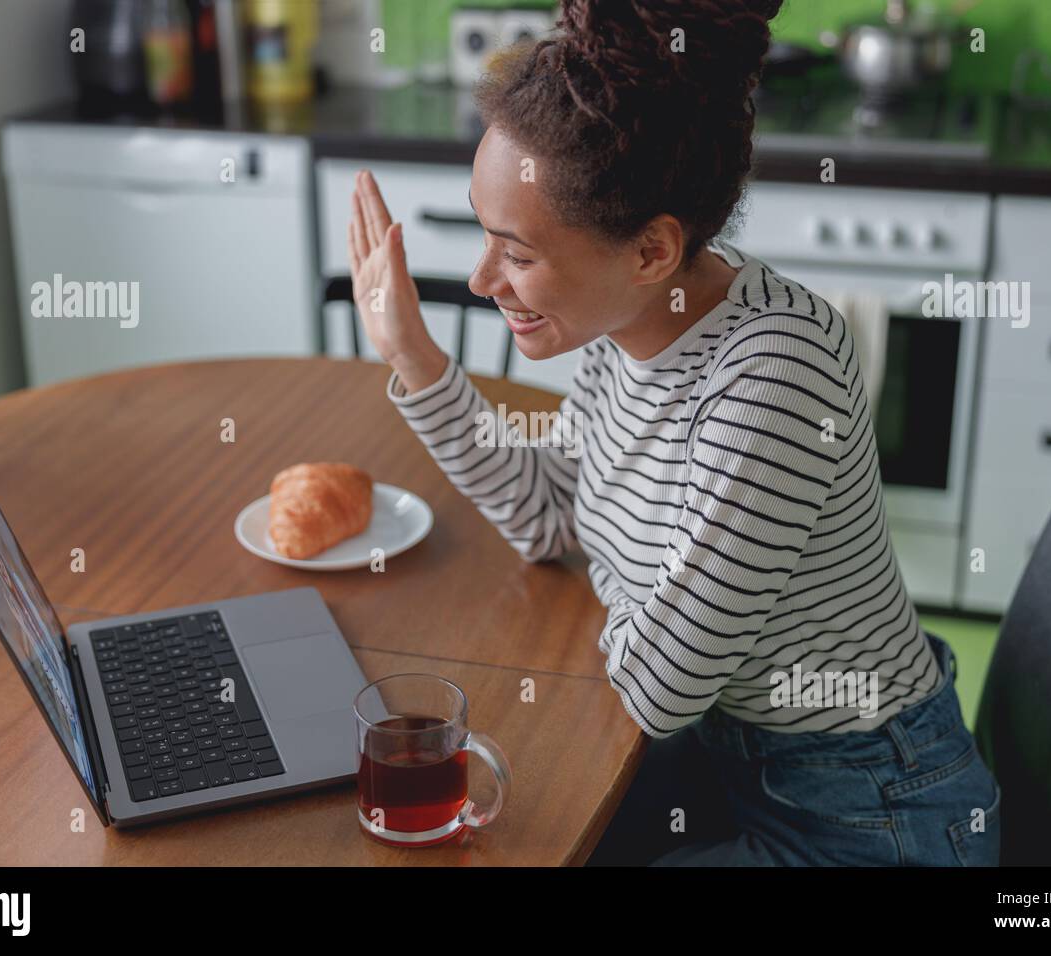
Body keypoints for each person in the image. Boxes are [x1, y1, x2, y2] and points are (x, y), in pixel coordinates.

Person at [346, 0, 1000, 865]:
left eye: (518, 252)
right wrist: (415, 355)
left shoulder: (774, 374)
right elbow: (553, 520)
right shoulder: (628, 331)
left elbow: (661, 686)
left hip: (872, 810)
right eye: (483, 233)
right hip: (734, 762)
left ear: (652, 252)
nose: (479, 278)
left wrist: (626, 578)